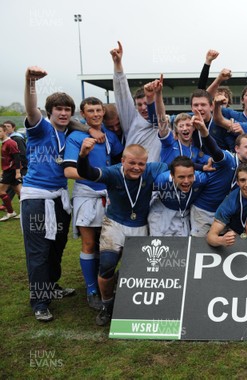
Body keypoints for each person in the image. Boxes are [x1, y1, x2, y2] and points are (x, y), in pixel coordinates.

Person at [21, 66, 103, 322]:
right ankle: (39, 301)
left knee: (57, 247)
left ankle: (52, 286)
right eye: (59, 109)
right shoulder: (40, 127)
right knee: (39, 252)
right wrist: (30, 82)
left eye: (68, 109)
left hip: (58, 198)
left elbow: (77, 122)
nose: (64, 113)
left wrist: (89, 129)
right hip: (36, 199)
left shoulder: (68, 131)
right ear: (50, 112)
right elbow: (31, 108)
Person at [77, 142, 168, 326]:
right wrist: (83, 156)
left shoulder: (154, 170)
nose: (136, 168)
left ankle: (133, 303)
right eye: (132, 163)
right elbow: (89, 173)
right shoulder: (113, 172)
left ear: (147, 163)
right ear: (122, 161)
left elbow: (175, 169)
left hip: (140, 225)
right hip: (115, 224)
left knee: (140, 270)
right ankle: (107, 305)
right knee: (107, 265)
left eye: (141, 164)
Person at [63, 97, 124, 310]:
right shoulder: (76, 137)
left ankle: (106, 282)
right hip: (87, 194)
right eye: (91, 111)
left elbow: (119, 162)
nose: (96, 114)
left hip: (109, 195)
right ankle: (91, 290)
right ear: (83, 113)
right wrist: (97, 176)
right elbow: (69, 170)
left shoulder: (109, 136)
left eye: (99, 110)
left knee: (108, 243)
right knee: (89, 244)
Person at [111, 41, 162, 162]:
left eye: (146, 103)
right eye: (139, 105)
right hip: (131, 174)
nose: (144, 108)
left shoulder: (163, 123)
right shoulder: (131, 120)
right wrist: (118, 64)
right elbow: (122, 94)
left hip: (154, 175)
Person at [206, 162, 247, 247]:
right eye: (243, 180)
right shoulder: (230, 201)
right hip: (237, 241)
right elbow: (211, 236)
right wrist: (221, 240)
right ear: (237, 182)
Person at [149, 156, 207, 236]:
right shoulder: (161, 181)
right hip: (162, 214)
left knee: (182, 247)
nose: (186, 181)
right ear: (172, 175)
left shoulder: (201, 179)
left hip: (184, 216)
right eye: (181, 177)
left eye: (190, 176)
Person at [0, 123, 22, 221]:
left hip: (11, 171)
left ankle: (10, 212)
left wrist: (18, 172)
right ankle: (26, 211)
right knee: (19, 192)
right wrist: (2, 170)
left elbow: (17, 158)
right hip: (7, 170)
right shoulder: (4, 143)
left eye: (0, 131)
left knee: (1, 191)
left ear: (5, 131)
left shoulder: (10, 143)